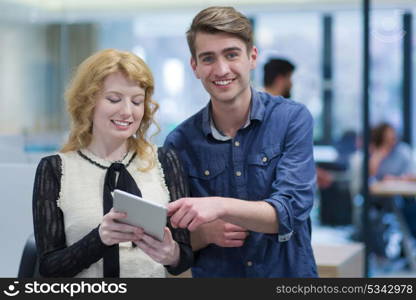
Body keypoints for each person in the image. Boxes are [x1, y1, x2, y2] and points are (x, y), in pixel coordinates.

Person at [164, 6, 317, 277]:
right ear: (195, 66)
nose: (222, 69)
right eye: (208, 58)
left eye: (232, 54)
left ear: (252, 57)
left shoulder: (292, 119)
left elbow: (290, 212)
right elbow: (176, 245)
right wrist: (205, 234)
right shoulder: (179, 142)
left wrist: (220, 206)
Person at [32, 49, 193, 277]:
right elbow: (49, 268)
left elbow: (183, 257)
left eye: (137, 101)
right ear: (88, 102)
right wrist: (99, 239)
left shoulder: (165, 160)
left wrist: (171, 254)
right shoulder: (55, 169)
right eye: (114, 99)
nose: (127, 111)